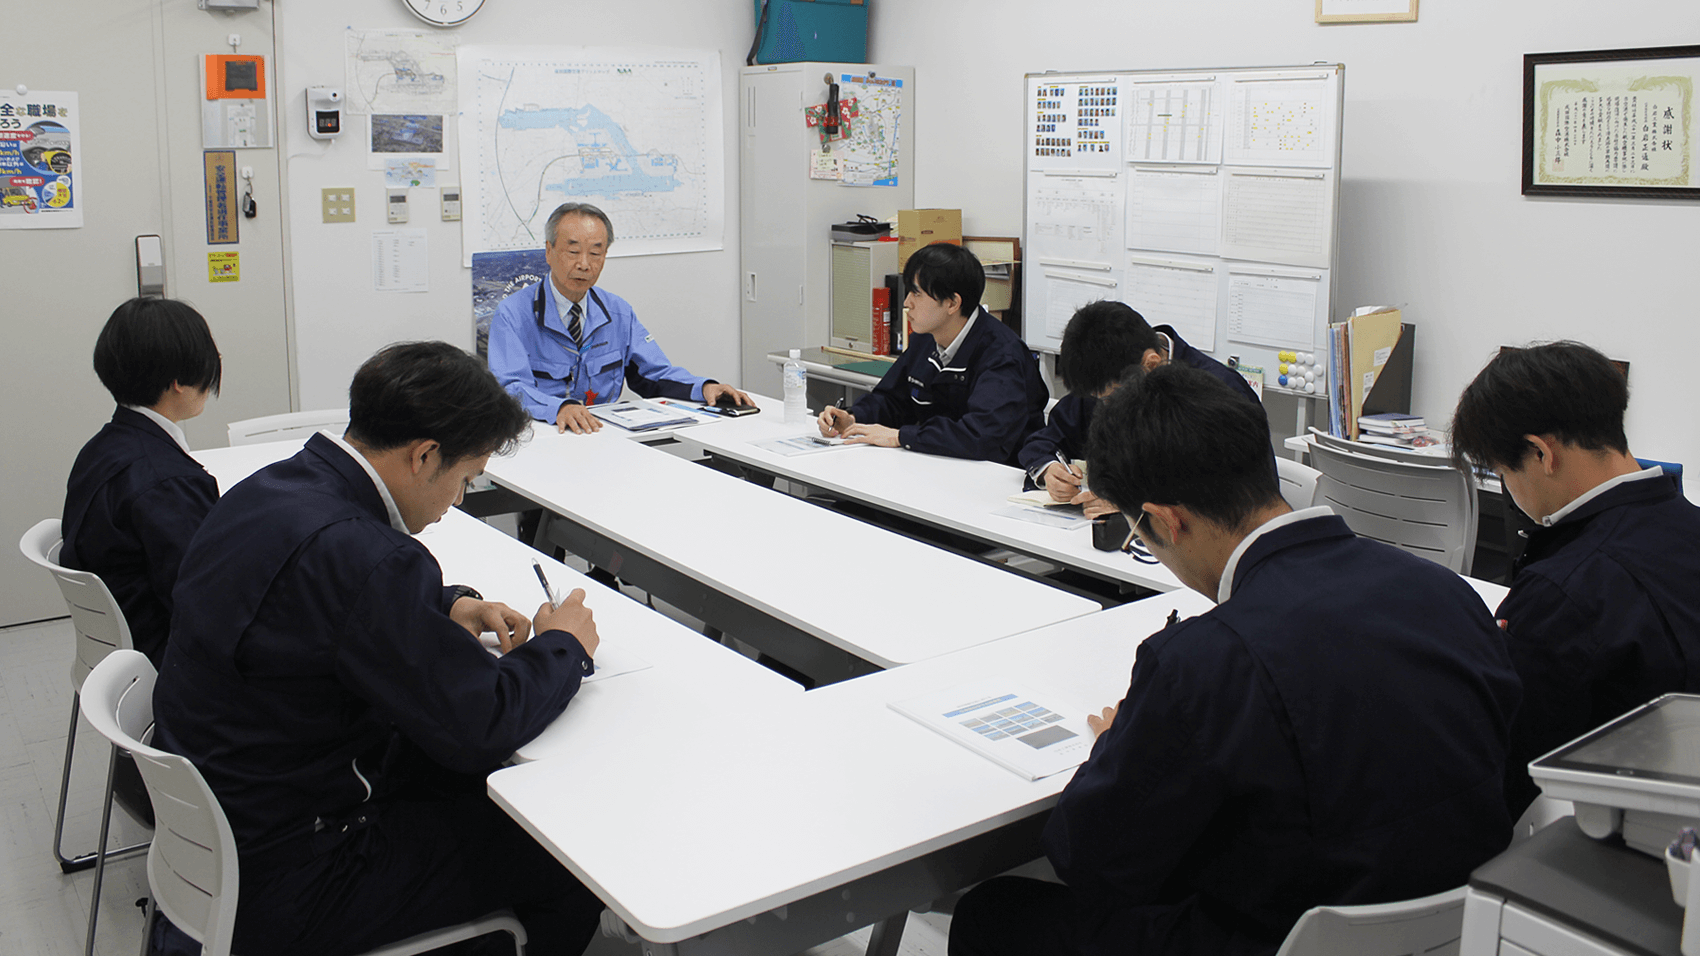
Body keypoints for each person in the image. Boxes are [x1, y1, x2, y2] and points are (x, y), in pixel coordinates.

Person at [950, 365, 1521, 956]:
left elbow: (1087, 859)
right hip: (1458, 925)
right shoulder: (1450, 593)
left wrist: (1113, 752)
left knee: (991, 914)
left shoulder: (1205, 662)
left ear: (1169, 518)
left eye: (1138, 534)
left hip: (1278, 937)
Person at [152, 342, 606, 956]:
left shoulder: (268, 489)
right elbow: (480, 722)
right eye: (465, 480)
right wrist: (562, 647)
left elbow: (313, 594)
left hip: (216, 834)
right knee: (568, 858)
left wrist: (445, 605)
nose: (456, 504)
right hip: (298, 876)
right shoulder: (372, 560)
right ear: (424, 456)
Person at [1450, 341, 1700, 816]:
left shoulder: (1564, 592)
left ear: (1542, 454)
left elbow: (1502, 770)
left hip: (1615, 825)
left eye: (1504, 471)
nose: (1509, 489)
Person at [487, 201, 751, 434]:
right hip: (543, 438)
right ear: (549, 251)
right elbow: (510, 388)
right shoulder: (513, 314)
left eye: (595, 253)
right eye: (573, 251)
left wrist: (705, 388)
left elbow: (654, 375)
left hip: (603, 436)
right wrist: (559, 407)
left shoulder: (618, 312)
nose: (584, 264)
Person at [61, 296, 222, 669]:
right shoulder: (167, 481)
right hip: (167, 660)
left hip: (121, 645)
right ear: (179, 381)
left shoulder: (101, 447)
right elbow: (206, 602)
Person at [1017, 300, 1260, 516]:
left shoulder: (1220, 394)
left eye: (1110, 398)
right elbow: (1044, 441)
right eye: (1096, 398)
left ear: (1151, 365)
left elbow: (1239, 497)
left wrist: (1135, 507)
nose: (1104, 406)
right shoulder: (1107, 377)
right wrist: (1050, 469)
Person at [817, 242, 1047, 465]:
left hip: (996, 479)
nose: (907, 303)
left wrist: (900, 437)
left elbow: (981, 436)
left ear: (952, 303)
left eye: (917, 294)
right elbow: (893, 400)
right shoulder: (925, 338)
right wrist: (853, 417)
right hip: (937, 465)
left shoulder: (1002, 355)